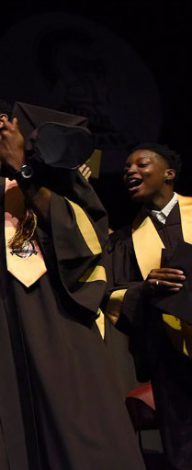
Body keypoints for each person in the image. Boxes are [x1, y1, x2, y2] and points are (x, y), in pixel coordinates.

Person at [0, 97, 144, 469]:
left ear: (3, 121)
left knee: (73, 419)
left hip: (49, 303)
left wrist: (21, 168)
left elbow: (85, 234)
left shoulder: (46, 162)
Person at [105, 143, 192, 469]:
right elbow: (111, 293)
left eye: (141, 164)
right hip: (169, 356)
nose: (130, 171)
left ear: (169, 173)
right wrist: (145, 288)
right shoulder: (125, 242)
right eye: (127, 167)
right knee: (182, 447)